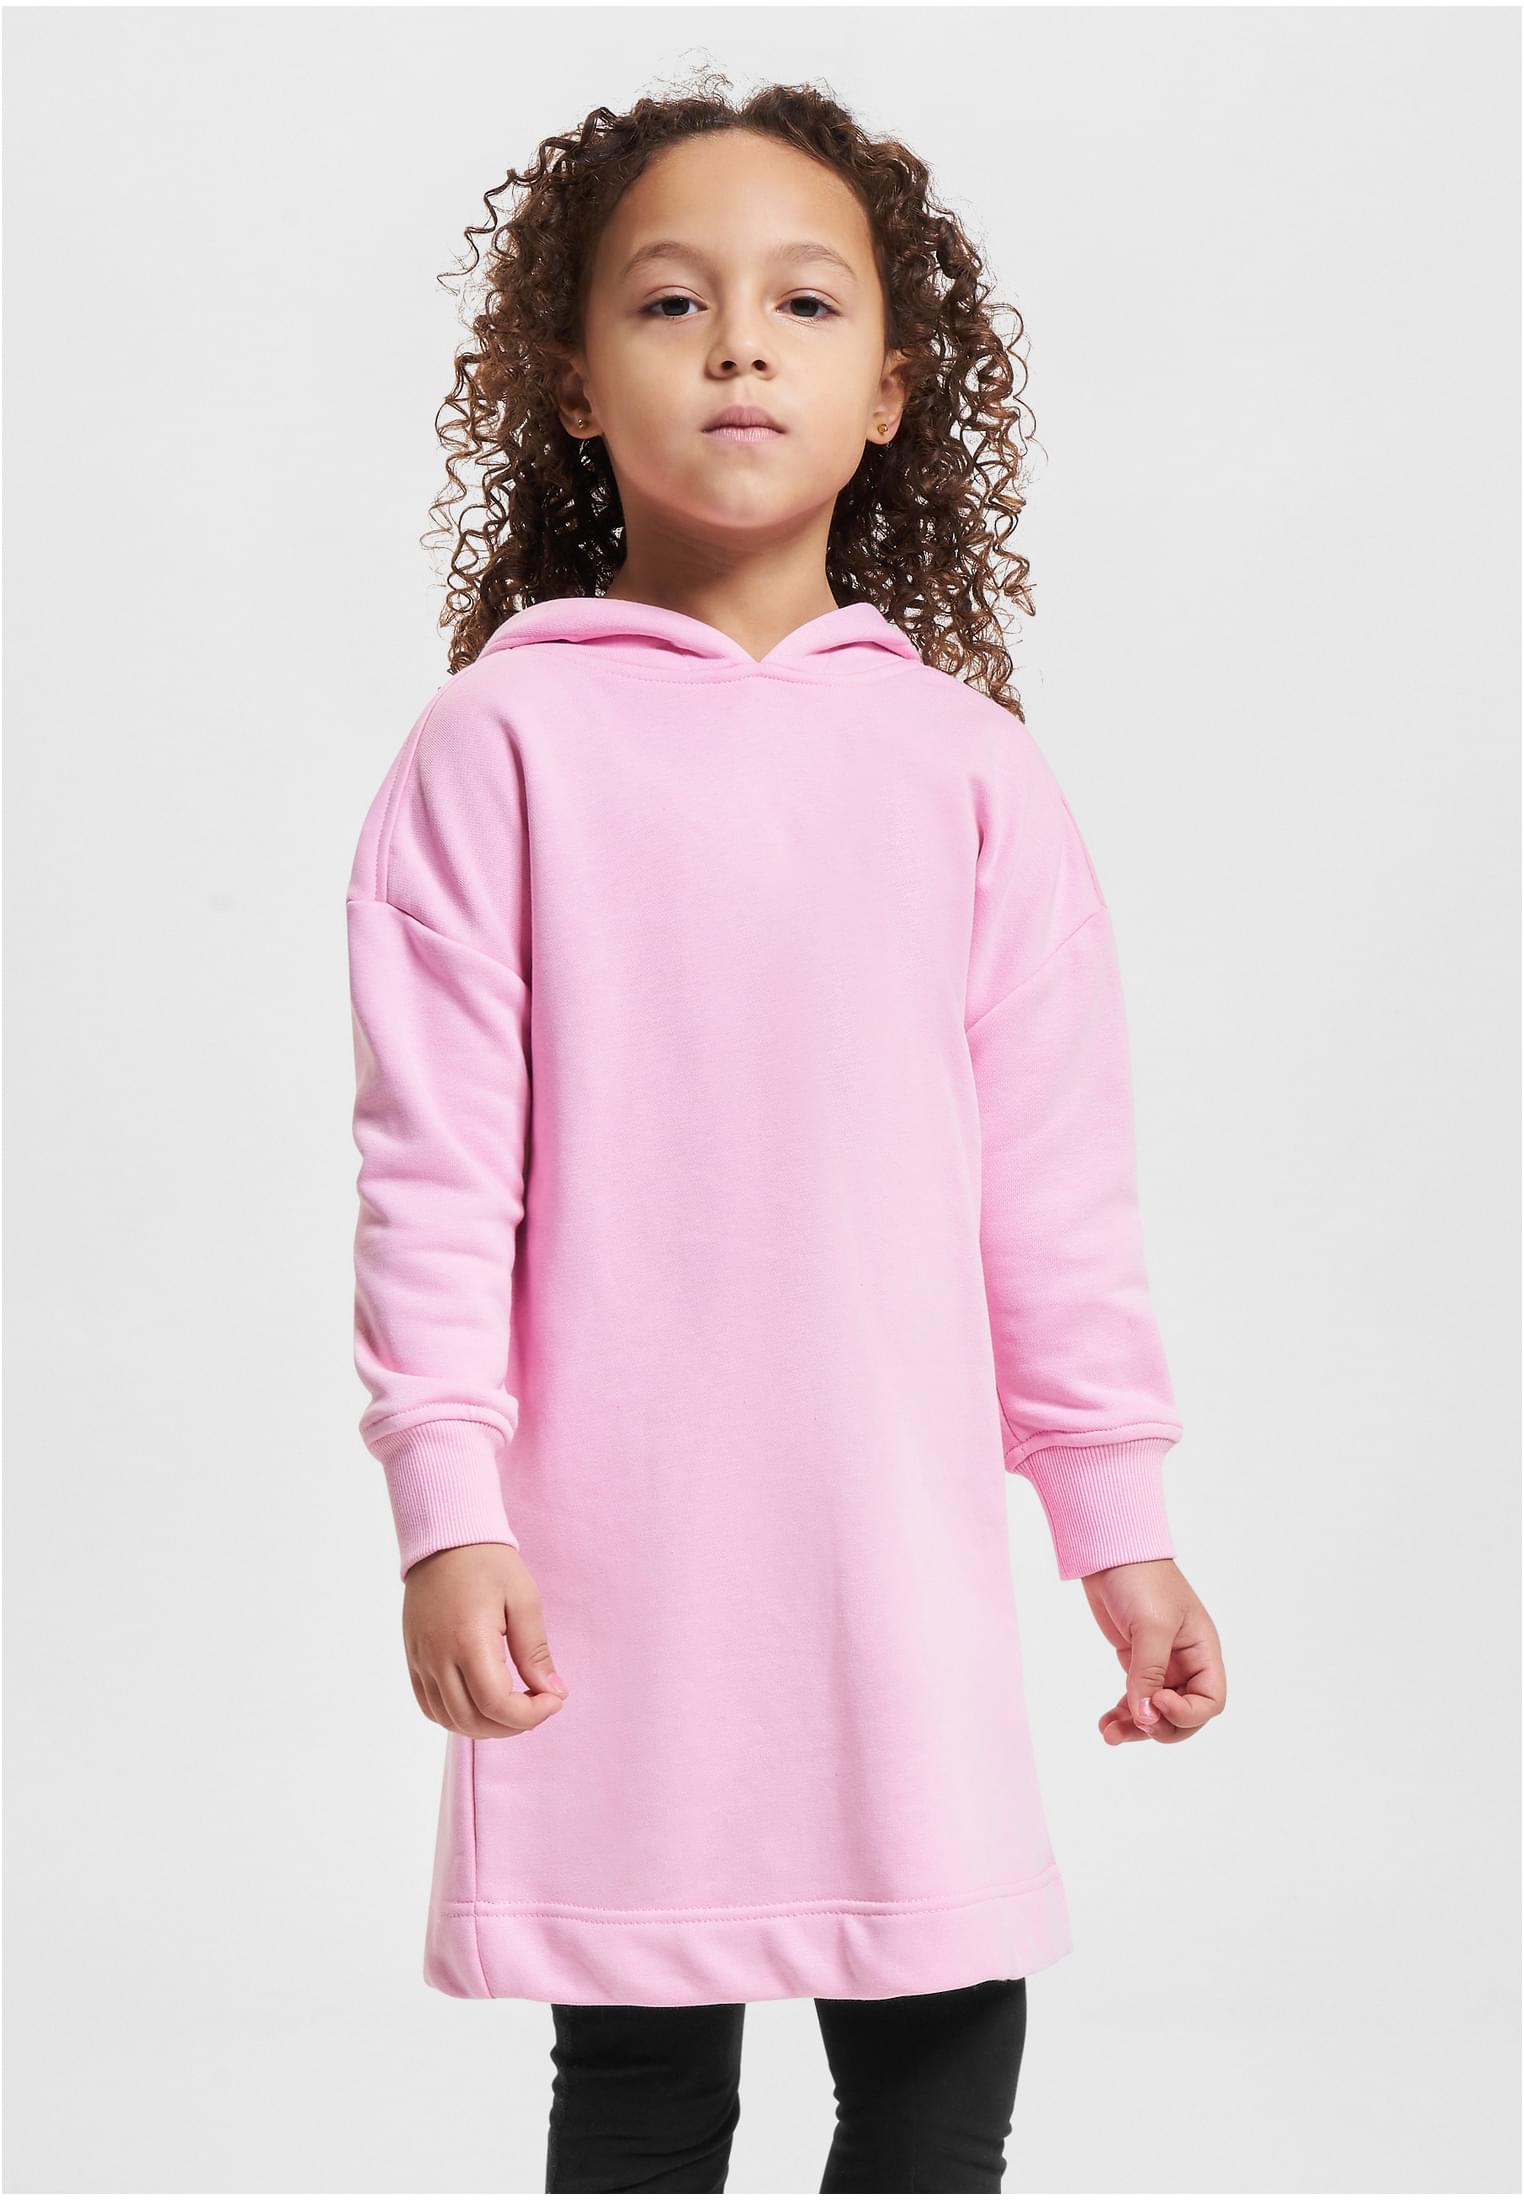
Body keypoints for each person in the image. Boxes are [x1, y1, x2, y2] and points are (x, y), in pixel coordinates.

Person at [345, 72, 1227, 2196]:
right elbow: (434, 1172)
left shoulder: (971, 772)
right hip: (611, 1560)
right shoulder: (503, 744)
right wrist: (448, 1508)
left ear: (892, 392)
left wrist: (1116, 1523)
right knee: (644, 2072)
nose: (740, 343)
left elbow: (1054, 1194)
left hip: (890, 1554)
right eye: (673, 301)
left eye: (805, 303)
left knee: (942, 2041)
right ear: (572, 384)